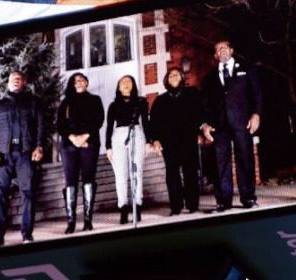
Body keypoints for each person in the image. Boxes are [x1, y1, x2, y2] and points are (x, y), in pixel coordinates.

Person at [0, 69, 46, 247]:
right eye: (12, 79)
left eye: (19, 78)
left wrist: (39, 147)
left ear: (24, 82)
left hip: (25, 154)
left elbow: (41, 127)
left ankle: (27, 235)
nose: (16, 81)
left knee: (28, 193)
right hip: (3, 156)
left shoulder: (33, 102)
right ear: (8, 82)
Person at [200, 39, 262, 211]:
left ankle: (248, 198)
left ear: (231, 50)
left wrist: (256, 114)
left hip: (243, 122)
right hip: (218, 126)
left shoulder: (247, 69)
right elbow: (204, 104)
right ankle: (223, 201)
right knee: (221, 164)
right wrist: (204, 125)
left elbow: (256, 94)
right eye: (218, 49)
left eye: (224, 47)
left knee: (245, 159)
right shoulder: (209, 78)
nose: (222, 51)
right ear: (215, 55)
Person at [56, 71, 103, 234]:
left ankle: (88, 220)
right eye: (75, 80)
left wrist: (84, 137)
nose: (79, 82)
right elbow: (60, 124)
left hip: (89, 144)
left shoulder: (95, 100)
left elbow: (98, 120)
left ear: (86, 83)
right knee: (70, 181)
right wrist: (72, 138)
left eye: (82, 79)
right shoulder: (65, 103)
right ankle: (71, 222)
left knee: (88, 179)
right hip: (69, 146)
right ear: (72, 84)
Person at [149, 66, 201, 215]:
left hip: (188, 139)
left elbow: (198, 113)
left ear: (182, 78)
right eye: (171, 76)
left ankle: (192, 205)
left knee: (190, 172)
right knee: (172, 174)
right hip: (169, 143)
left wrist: (199, 132)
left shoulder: (191, 94)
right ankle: (176, 207)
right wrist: (156, 140)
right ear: (166, 80)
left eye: (177, 75)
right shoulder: (160, 100)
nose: (174, 77)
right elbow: (154, 122)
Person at [105, 75, 150, 224]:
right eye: (122, 82)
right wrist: (108, 147)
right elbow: (109, 127)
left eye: (129, 81)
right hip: (118, 136)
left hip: (136, 133)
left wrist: (148, 141)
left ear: (133, 85)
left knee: (137, 172)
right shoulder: (113, 105)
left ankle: (137, 206)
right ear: (118, 87)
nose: (125, 83)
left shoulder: (141, 102)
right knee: (121, 174)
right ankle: (123, 208)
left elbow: (146, 122)